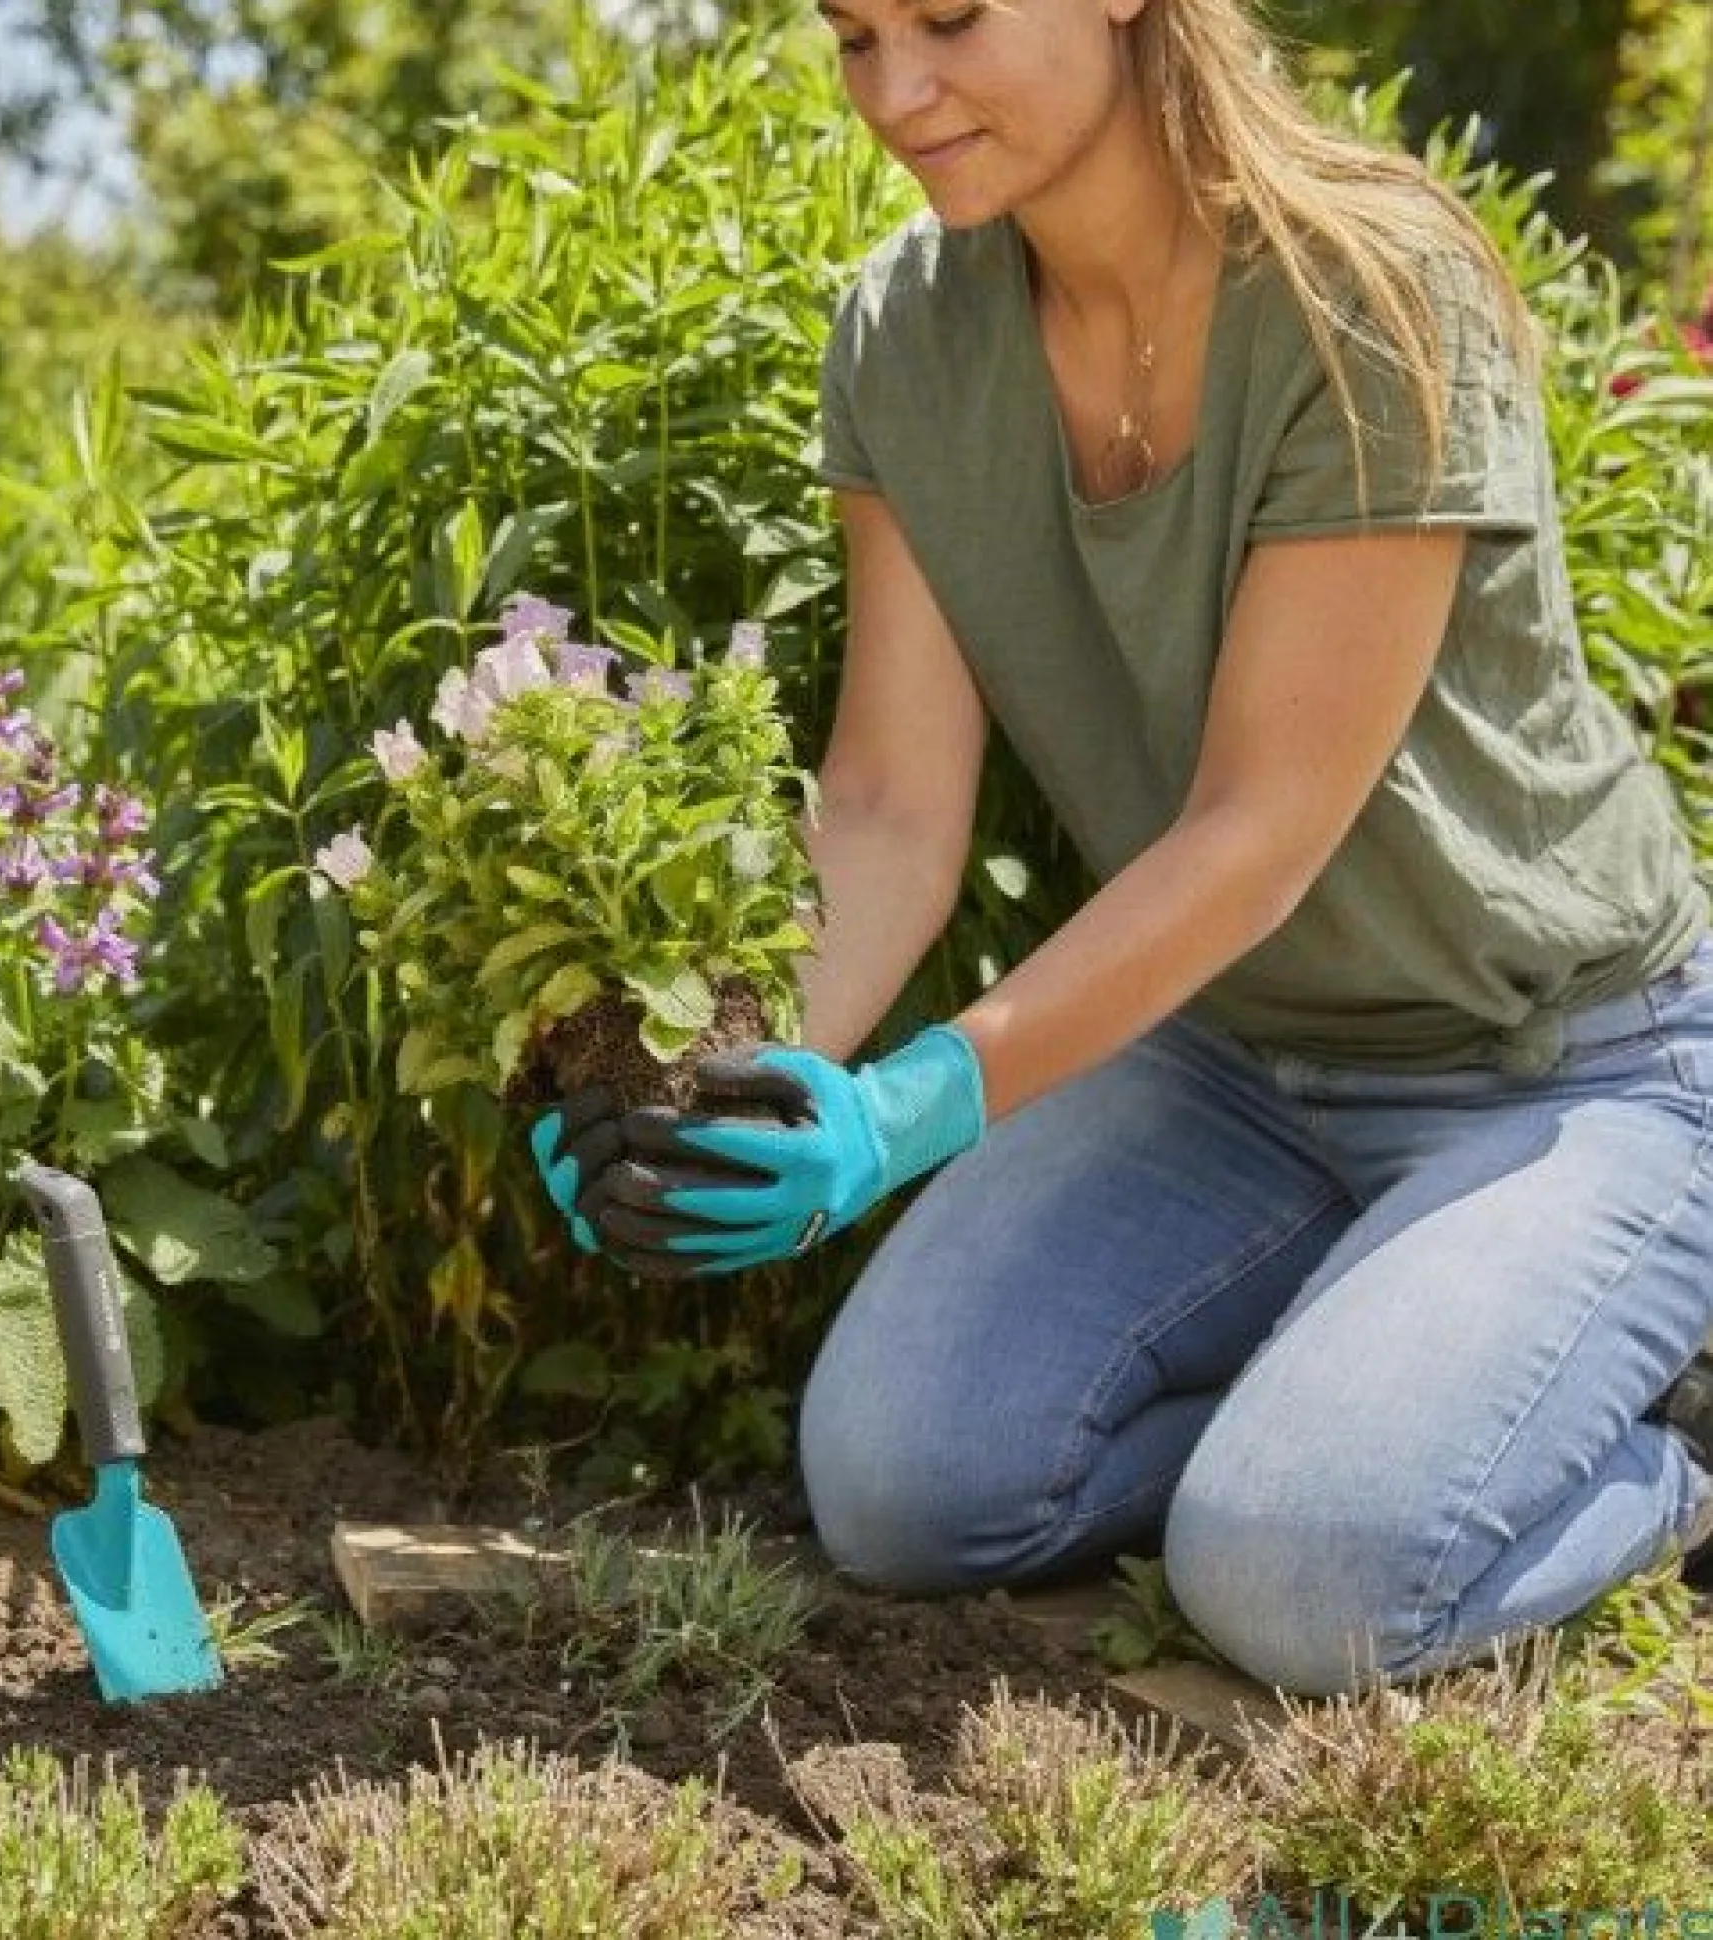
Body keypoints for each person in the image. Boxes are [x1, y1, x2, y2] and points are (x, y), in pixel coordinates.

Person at [532, 0, 1713, 1699]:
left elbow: (1256, 836)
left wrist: (904, 1116)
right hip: (1233, 1065)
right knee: (899, 1490)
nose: (897, 92)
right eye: (853, 36)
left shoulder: (1364, 291)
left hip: (1560, 1071)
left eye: (946, 18)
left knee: (1306, 1586)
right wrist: (696, 1075)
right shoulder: (907, 337)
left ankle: (1659, 1449)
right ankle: (1369, 1408)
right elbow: (887, 806)